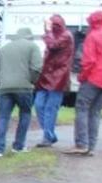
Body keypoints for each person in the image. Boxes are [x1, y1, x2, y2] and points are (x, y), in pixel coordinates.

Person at [66, 10, 102, 156]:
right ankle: (91, 146)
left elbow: (89, 61)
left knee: (82, 108)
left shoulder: (92, 37)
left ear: (92, 22)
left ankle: (81, 144)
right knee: (95, 112)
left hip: (92, 78)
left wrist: (82, 76)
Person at [0, 27, 43, 157]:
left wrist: (0, 81)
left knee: (3, 117)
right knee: (25, 114)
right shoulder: (33, 47)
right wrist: (32, 81)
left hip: (5, 88)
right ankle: (18, 146)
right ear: (29, 37)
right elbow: (37, 67)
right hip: (24, 88)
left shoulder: (4, 49)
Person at [34, 15, 74, 147]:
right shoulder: (54, 36)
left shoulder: (66, 36)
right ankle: (50, 135)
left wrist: (47, 30)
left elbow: (52, 46)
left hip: (58, 77)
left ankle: (47, 137)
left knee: (51, 108)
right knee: (39, 105)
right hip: (45, 76)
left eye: (51, 25)